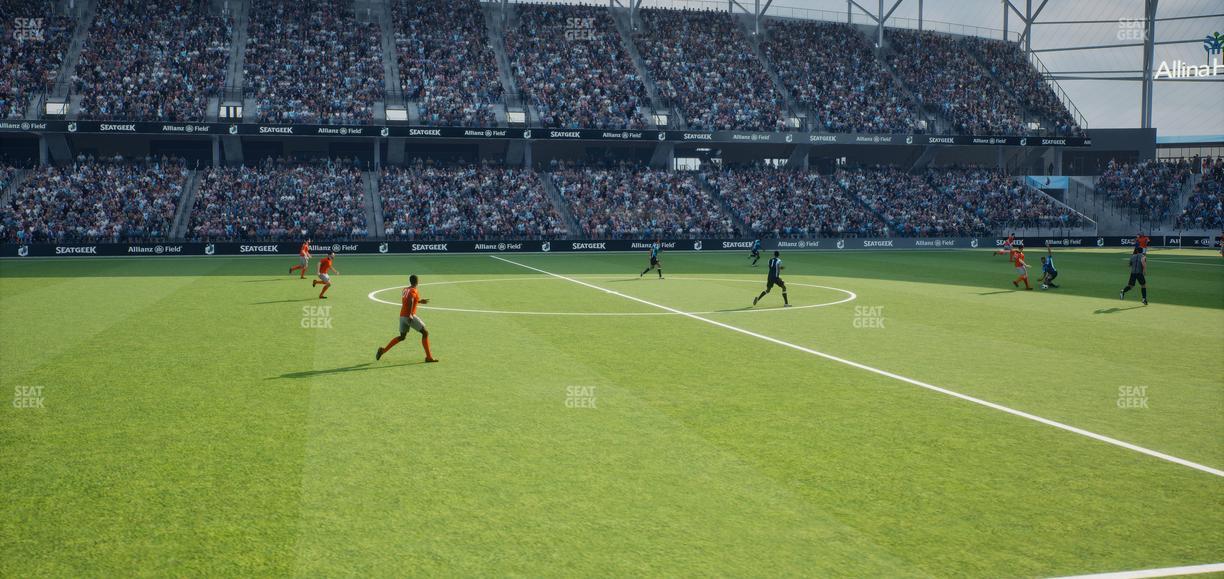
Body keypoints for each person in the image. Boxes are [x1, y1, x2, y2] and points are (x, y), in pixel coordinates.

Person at [377, 274, 439, 362]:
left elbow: (408, 299)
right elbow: (410, 300)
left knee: (402, 337)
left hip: (402, 316)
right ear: (417, 282)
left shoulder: (405, 289)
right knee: (425, 333)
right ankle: (428, 357)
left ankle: (383, 350)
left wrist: (420, 301)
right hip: (408, 316)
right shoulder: (414, 290)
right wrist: (410, 314)